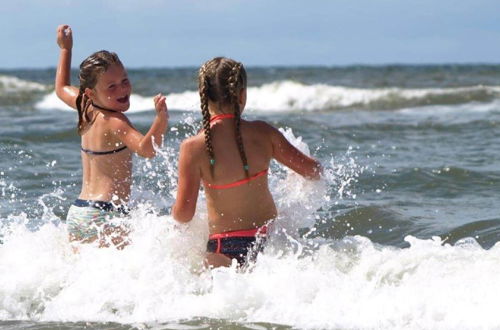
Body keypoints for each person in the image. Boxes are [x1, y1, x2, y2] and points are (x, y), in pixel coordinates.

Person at [172, 57, 321, 267]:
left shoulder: (193, 147)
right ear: (242, 94)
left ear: (203, 96)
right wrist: (294, 182)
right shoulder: (263, 133)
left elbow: (184, 215)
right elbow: (313, 171)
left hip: (222, 248)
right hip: (270, 244)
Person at [55, 24, 168, 248]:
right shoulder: (116, 121)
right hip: (105, 214)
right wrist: (161, 120)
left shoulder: (84, 107)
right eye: (111, 86)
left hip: (79, 213)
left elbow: (61, 88)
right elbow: (147, 150)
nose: (122, 90)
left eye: (124, 81)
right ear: (90, 92)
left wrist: (65, 49)